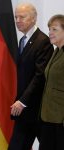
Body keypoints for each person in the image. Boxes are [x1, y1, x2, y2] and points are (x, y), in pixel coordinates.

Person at [8, 3, 54, 150]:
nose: (18, 20)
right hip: (25, 112)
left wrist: (22, 101)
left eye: (22, 16)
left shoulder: (43, 41)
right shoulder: (23, 40)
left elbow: (40, 76)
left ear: (34, 18)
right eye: (16, 17)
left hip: (36, 110)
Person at [39, 14, 64, 150]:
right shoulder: (56, 51)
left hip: (61, 120)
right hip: (49, 117)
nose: (50, 33)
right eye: (49, 29)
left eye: (54, 29)